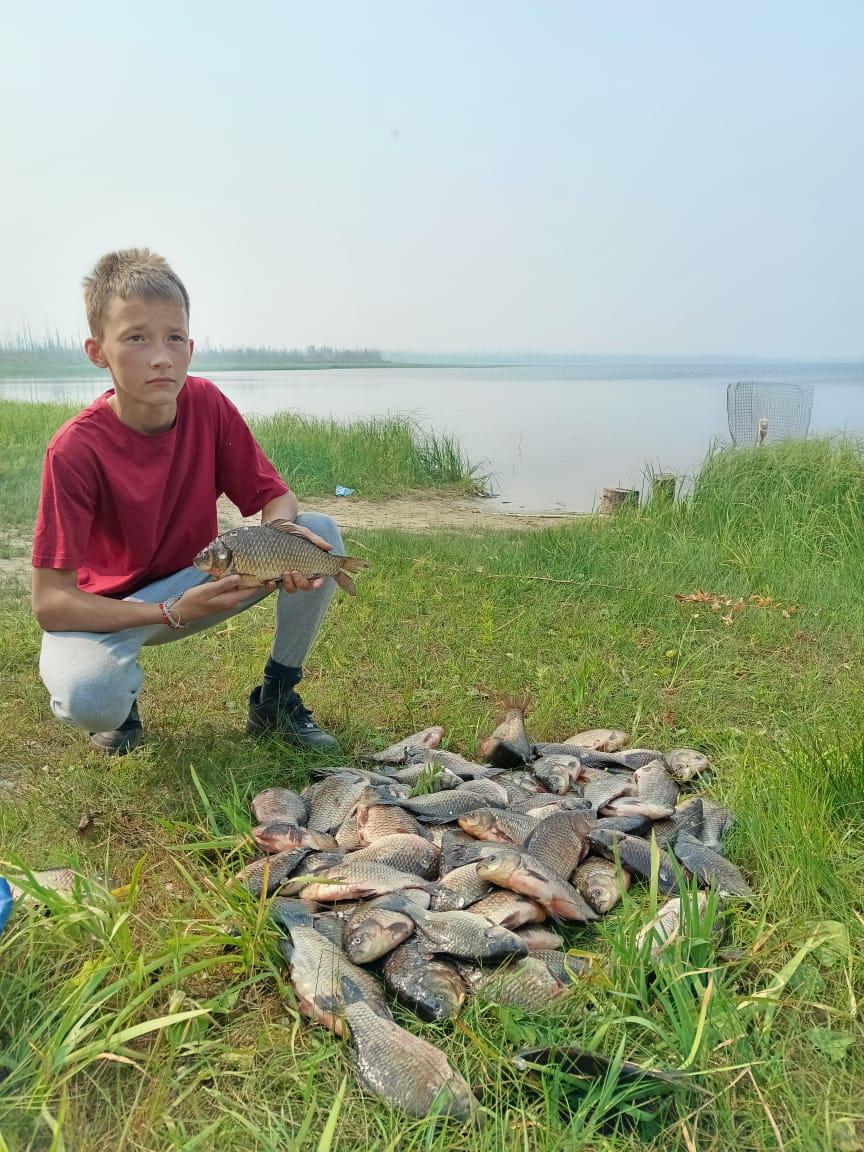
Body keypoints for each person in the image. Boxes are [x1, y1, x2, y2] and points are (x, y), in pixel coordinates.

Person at [31, 248, 343, 756]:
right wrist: (167, 611)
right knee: (90, 696)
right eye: (136, 338)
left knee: (320, 534)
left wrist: (281, 536)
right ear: (97, 351)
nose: (161, 356)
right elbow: (50, 604)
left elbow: (275, 498)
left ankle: (277, 696)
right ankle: (122, 702)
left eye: (174, 338)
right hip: (110, 608)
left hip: (202, 576)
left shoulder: (207, 404)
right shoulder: (74, 450)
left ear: (191, 347)